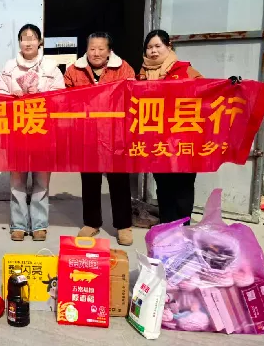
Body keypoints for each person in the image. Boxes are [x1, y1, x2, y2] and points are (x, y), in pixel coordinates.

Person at [0, 24, 64, 242]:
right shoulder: (9, 67)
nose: (28, 42)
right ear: (19, 43)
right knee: (17, 180)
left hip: (43, 131)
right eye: (24, 38)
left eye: (32, 38)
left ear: (40, 41)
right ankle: (18, 225)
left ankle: (39, 225)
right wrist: (10, 95)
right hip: (16, 132)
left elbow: (61, 97)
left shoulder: (51, 67)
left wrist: (41, 94)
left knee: (41, 180)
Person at [64, 32, 135, 246]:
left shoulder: (124, 69)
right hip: (86, 134)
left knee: (119, 180)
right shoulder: (74, 71)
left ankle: (123, 225)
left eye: (101, 49)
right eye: (92, 48)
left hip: (115, 134)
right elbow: (65, 99)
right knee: (90, 180)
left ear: (109, 51)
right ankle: (92, 222)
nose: (96, 53)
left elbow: (133, 97)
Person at [139, 29, 202, 225]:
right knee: (163, 186)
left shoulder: (185, 70)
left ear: (168, 47)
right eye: (149, 47)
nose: (153, 51)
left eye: (158, 46)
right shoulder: (141, 76)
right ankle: (166, 226)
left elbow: (207, 91)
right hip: (157, 140)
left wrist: (231, 86)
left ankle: (182, 228)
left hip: (183, 139)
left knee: (183, 186)